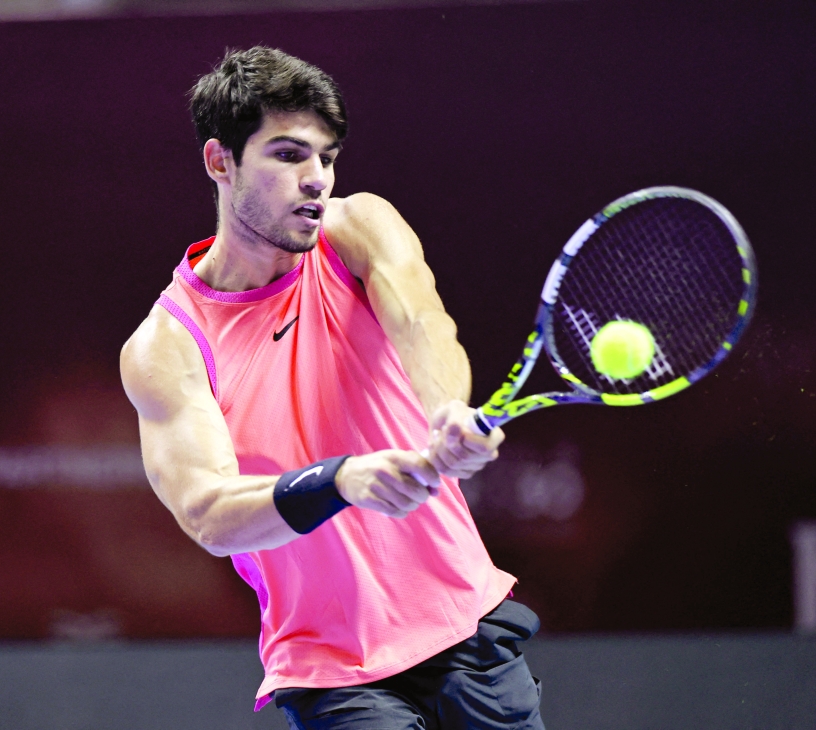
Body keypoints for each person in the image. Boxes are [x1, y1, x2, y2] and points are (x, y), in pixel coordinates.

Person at [120, 46, 545, 729]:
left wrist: (445, 415)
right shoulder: (166, 347)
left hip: (467, 624)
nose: (317, 178)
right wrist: (340, 480)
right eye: (288, 155)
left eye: (327, 156)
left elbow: (424, 325)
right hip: (332, 672)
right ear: (219, 162)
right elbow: (209, 514)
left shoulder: (357, 228)